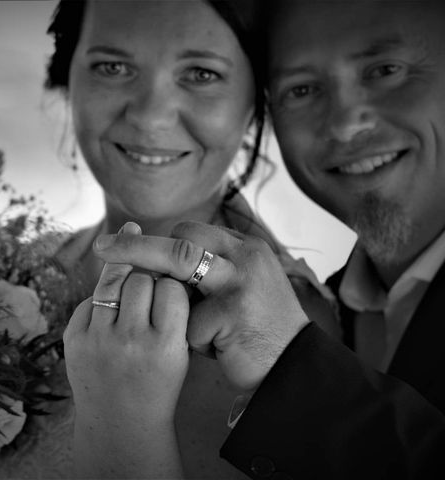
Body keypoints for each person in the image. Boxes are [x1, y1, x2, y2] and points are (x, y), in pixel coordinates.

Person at [64, 0, 445, 478]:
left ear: (251, 106)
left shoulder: (304, 315)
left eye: (387, 69)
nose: (150, 116)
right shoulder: (356, 299)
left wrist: (123, 429)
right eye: (302, 88)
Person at [44, 0, 336, 478]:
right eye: (113, 66)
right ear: (66, 77)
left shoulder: (300, 337)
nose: (150, 116)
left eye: (201, 73)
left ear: (255, 100)